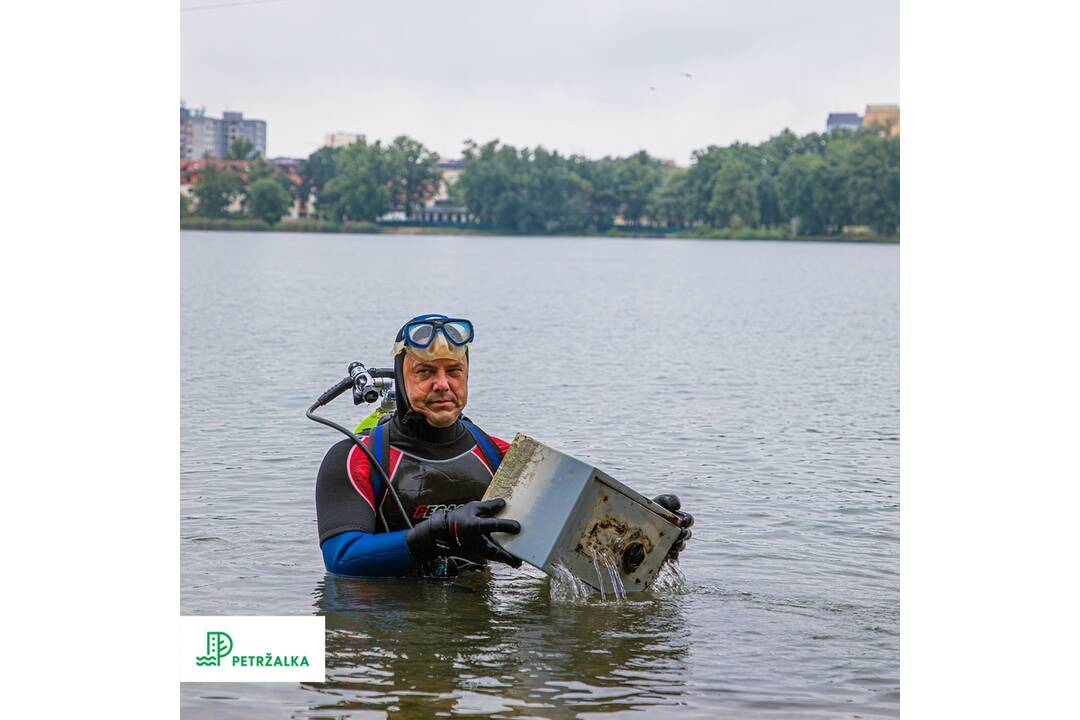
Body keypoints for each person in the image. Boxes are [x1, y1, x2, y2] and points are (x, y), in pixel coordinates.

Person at [315, 314, 693, 578]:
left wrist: (648, 537)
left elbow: (580, 541)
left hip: (476, 629)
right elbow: (342, 559)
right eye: (425, 372)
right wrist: (439, 532)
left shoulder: (501, 457)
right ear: (400, 379)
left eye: (454, 371)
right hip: (384, 630)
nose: (442, 384)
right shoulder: (355, 459)